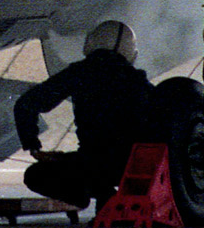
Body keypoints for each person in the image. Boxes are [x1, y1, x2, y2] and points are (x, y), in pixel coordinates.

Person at [13, 21, 153, 209]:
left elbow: (26, 104)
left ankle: (98, 196)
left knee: (35, 175)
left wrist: (33, 146)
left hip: (93, 162)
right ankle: (109, 198)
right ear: (131, 52)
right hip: (137, 166)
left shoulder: (80, 73)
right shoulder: (140, 82)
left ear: (91, 43)